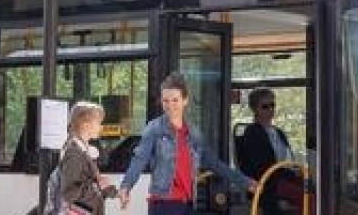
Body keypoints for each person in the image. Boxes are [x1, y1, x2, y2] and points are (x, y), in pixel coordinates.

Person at [120, 74, 257, 215]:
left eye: (175, 100)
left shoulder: (194, 134)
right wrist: (126, 186)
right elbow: (139, 159)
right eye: (165, 100)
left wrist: (244, 182)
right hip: (163, 204)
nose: (170, 105)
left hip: (188, 203)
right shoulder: (154, 129)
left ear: (185, 100)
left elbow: (215, 164)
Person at [235, 89, 299, 215]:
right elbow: (261, 167)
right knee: (307, 197)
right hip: (268, 183)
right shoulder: (252, 133)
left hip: (283, 177)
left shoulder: (278, 132)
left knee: (315, 190)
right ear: (255, 109)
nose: (270, 109)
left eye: (272, 105)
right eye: (265, 106)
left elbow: (288, 159)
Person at [59, 101, 119, 215]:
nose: (101, 127)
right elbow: (70, 191)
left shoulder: (83, 150)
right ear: (85, 125)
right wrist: (98, 187)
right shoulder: (73, 152)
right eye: (98, 123)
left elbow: (87, 183)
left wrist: (113, 192)